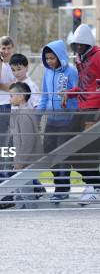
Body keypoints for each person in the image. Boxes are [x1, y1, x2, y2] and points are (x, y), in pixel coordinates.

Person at [63, 24, 100, 205]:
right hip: (80, 109)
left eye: (80, 44)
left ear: (88, 43)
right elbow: (84, 85)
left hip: (94, 111)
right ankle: (94, 184)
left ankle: (94, 187)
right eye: (75, 45)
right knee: (68, 150)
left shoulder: (99, 56)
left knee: (89, 151)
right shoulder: (79, 59)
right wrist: (69, 93)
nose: (78, 48)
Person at [38, 40, 78, 203]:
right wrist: (37, 117)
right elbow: (44, 97)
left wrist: (76, 116)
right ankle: (58, 185)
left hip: (67, 120)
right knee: (49, 153)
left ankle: (62, 188)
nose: (49, 61)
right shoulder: (47, 73)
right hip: (51, 120)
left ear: (60, 56)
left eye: (52, 58)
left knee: (63, 156)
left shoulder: (72, 72)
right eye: (47, 58)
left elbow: (78, 93)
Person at [9, 82, 44, 209]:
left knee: (25, 193)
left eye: (12, 95)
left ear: (21, 96)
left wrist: (20, 162)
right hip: (23, 161)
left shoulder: (24, 114)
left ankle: (31, 217)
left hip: (26, 162)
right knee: (19, 193)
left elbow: (28, 141)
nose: (10, 98)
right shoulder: (23, 113)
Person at [0, 36, 17, 178]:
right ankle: (3, 175)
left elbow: (20, 85)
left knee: (13, 142)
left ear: (13, 48)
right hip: (1, 105)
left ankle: (10, 175)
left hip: (14, 106)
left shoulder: (16, 63)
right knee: (3, 142)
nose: (6, 51)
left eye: (8, 48)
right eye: (3, 48)